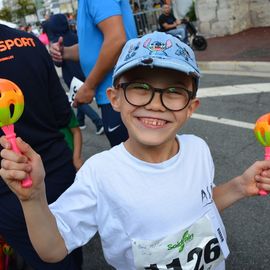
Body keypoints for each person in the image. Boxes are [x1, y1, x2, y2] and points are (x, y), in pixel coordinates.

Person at [1, 31, 270, 269]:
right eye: (140, 88)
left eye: (174, 91)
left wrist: (239, 185)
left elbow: (200, 204)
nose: (155, 104)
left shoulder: (198, 149)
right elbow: (52, 249)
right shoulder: (100, 173)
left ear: (191, 107)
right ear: (115, 98)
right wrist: (33, 198)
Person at [0, 24, 82, 269]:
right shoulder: (30, 42)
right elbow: (62, 115)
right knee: (71, 253)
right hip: (59, 173)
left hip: (10, 191)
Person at [50, 0, 137, 146]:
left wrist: (89, 86)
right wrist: (64, 52)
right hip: (115, 94)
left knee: (134, 162)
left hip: (119, 94)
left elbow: (116, 40)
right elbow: (92, 48)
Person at [48, 13, 104, 135]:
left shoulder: (56, 43)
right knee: (79, 96)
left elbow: (58, 64)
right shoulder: (75, 36)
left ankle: (98, 122)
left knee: (78, 100)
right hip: (83, 71)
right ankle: (81, 121)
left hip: (70, 76)